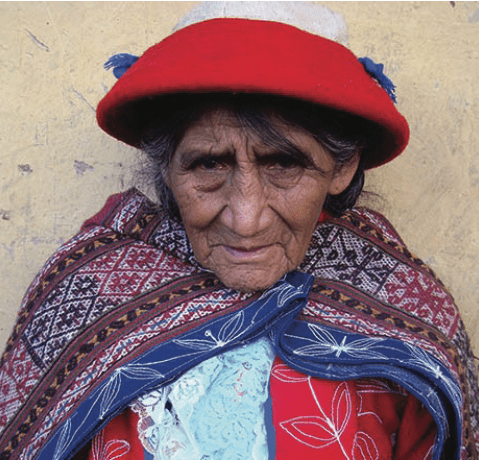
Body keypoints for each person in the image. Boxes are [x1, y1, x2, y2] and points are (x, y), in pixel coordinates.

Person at [0, 3, 478, 460]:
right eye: (209, 164)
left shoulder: (409, 312)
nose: (245, 219)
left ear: (342, 167)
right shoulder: (88, 289)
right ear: (165, 166)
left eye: (284, 165)